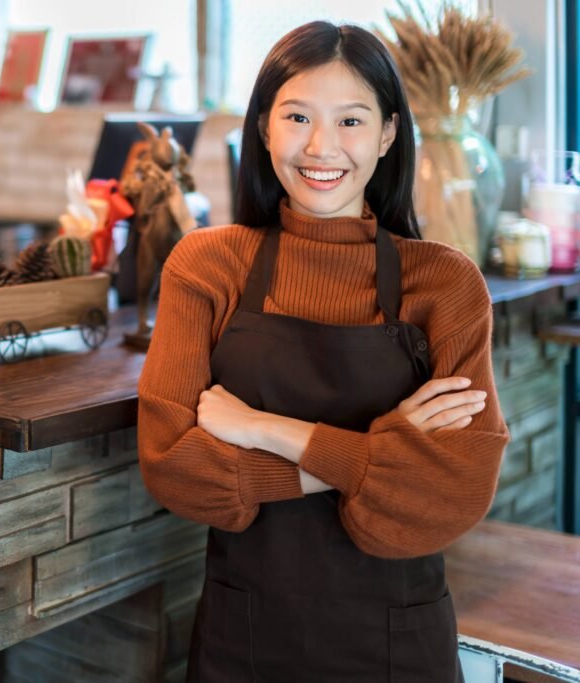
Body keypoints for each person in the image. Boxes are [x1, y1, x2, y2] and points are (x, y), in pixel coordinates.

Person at [138, 21, 509, 682]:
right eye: (298, 116)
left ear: (389, 134)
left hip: (397, 644)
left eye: (351, 121)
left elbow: (455, 488)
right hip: (246, 638)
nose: (320, 147)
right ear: (263, 128)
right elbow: (175, 466)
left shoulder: (445, 284)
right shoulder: (205, 266)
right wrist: (383, 455)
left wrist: (260, 429)